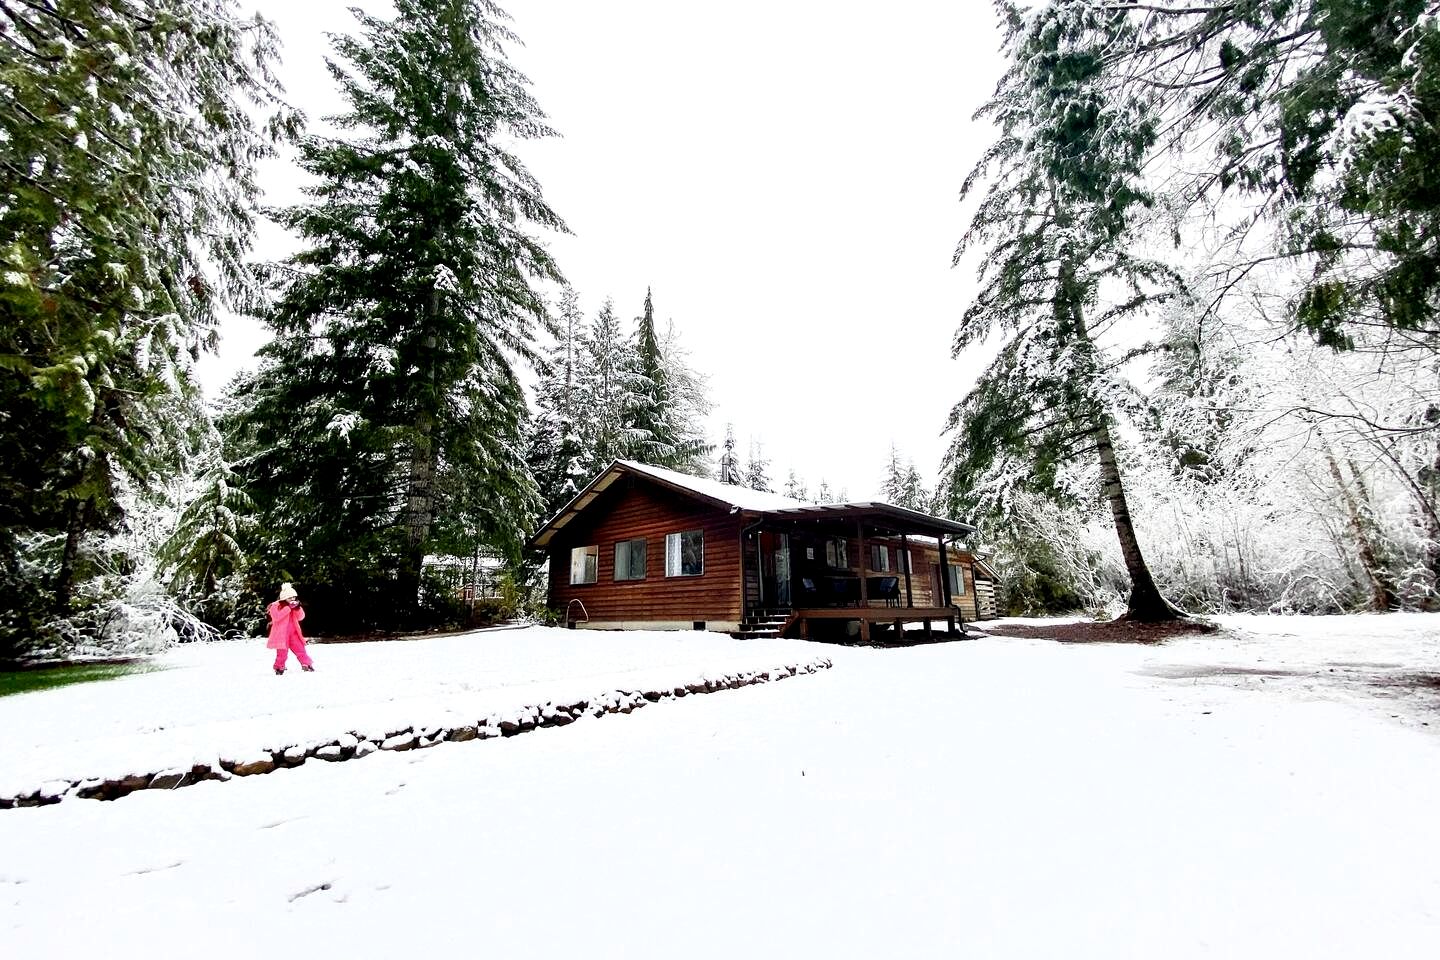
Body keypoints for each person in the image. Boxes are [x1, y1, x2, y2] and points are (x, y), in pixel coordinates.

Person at [267, 582, 314, 675]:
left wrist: (298, 608)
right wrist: (288, 608)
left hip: (294, 634)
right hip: (281, 635)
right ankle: (279, 667)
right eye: (290, 598)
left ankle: (306, 664)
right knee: (282, 653)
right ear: (284, 598)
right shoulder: (275, 606)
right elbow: (276, 617)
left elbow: (301, 617)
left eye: (294, 597)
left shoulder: (294, 606)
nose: (293, 599)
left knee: (300, 650)